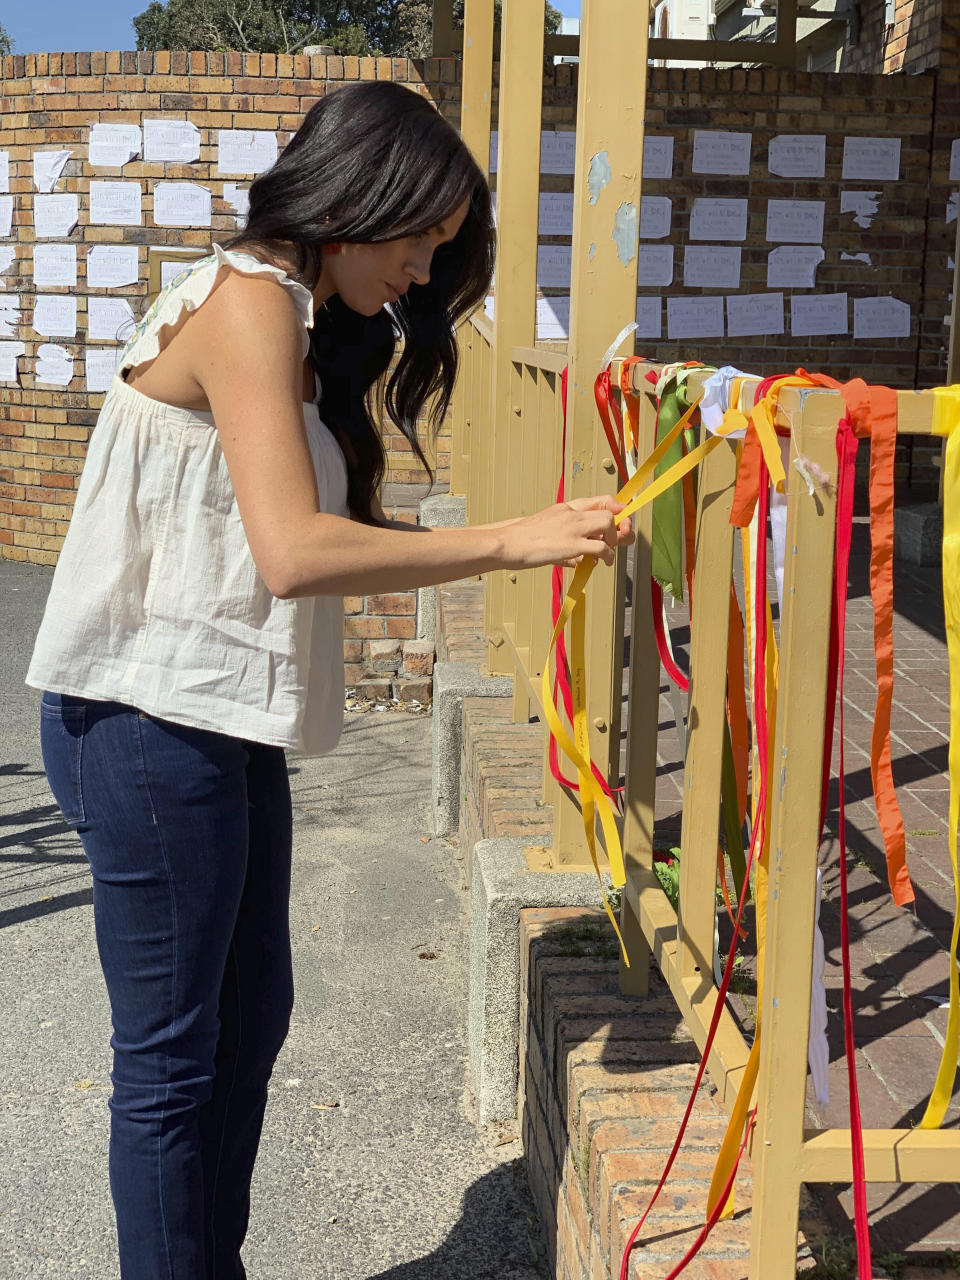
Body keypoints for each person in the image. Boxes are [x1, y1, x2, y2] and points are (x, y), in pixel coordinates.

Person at [26, 81, 633, 1279]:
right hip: (144, 719)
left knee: (247, 1027)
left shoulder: (297, 327)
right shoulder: (249, 302)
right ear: (359, 203)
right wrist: (516, 538)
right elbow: (295, 550)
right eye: (420, 240)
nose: (420, 271)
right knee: (171, 1059)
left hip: (214, 718)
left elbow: (314, 538)